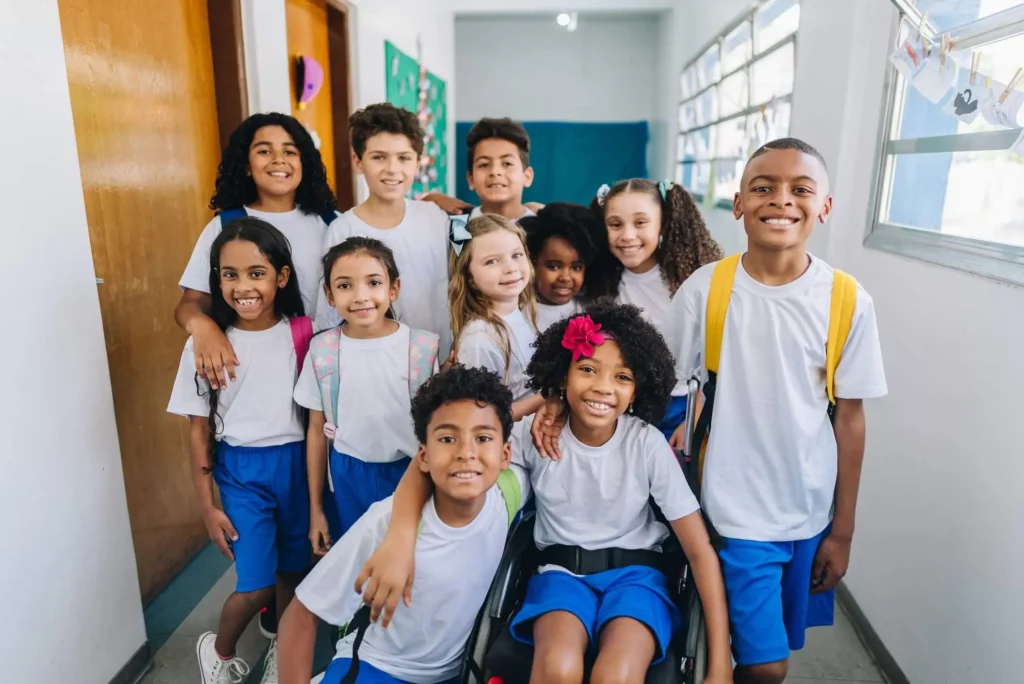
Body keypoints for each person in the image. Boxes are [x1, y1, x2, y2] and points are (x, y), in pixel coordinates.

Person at [358, 303, 733, 684]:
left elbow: (699, 551)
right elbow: (444, 453)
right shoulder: (532, 435)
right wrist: (400, 536)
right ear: (563, 374)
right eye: (587, 369)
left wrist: (719, 662)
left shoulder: (646, 445)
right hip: (559, 576)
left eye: (622, 377)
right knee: (558, 668)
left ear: (638, 389)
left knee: (617, 676)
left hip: (638, 579)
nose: (603, 386)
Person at [670, 138, 888, 684]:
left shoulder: (846, 299)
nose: (780, 200)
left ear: (825, 206)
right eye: (763, 187)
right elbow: (657, 385)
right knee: (767, 667)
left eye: (800, 189)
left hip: (810, 511)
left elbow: (850, 418)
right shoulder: (708, 290)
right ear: (739, 202)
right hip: (735, 512)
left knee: (766, 650)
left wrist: (843, 530)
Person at [277, 365, 526, 684]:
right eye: (447, 438)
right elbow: (301, 615)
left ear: (505, 454)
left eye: (482, 438)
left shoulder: (511, 492)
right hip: (377, 667)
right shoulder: (384, 523)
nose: (466, 452)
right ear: (422, 456)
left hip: (454, 674)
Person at [167, 218, 313, 684]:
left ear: (281, 277)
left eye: (257, 272)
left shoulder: (304, 333)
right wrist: (208, 508)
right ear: (217, 281)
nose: (243, 286)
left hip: (298, 464)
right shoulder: (204, 346)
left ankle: (283, 656)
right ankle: (221, 652)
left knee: (294, 572)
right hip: (241, 472)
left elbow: (315, 418)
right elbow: (197, 433)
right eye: (229, 275)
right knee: (255, 584)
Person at [176, 112, 339, 395]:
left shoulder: (331, 223)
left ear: (304, 163)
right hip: (255, 369)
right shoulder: (225, 226)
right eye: (264, 151)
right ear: (247, 166)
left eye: (290, 151)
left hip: (325, 365)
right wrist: (203, 329)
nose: (278, 159)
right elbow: (190, 303)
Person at [294, 237, 439, 552]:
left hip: (412, 472)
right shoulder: (322, 351)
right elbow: (316, 432)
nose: (361, 296)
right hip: (347, 477)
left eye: (373, 282)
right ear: (329, 296)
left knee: (409, 556)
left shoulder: (423, 349)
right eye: (345, 286)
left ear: (393, 289)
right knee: (355, 563)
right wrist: (316, 509)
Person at [588, 178, 723, 441]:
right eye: (615, 224)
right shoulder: (601, 281)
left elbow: (712, 358)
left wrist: (694, 418)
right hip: (624, 406)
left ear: (663, 223)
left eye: (640, 223)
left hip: (682, 408)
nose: (627, 235)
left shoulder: (691, 282)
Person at [314, 104, 454, 356]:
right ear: (358, 161)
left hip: (441, 360)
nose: (392, 168)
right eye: (379, 157)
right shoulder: (342, 229)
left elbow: (469, 267)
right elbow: (329, 313)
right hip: (373, 361)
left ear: (418, 163)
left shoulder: (437, 217)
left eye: (404, 157)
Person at [448, 213, 543, 421]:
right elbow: (484, 416)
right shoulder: (479, 338)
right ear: (470, 278)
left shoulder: (522, 312)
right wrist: (551, 396)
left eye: (517, 255)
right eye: (492, 261)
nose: (510, 268)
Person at [520, 202, 607, 332]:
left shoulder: (592, 313)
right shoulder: (517, 314)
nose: (566, 277)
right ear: (532, 263)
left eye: (576, 268)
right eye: (553, 267)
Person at [464, 117, 536, 221]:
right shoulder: (458, 226)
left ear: (527, 176)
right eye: (484, 164)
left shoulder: (542, 229)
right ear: (471, 179)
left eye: (507, 163)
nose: (495, 172)